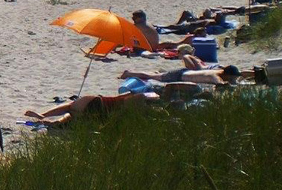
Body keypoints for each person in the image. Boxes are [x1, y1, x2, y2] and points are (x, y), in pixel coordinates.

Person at [25, 92, 154, 127]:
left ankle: (44, 115)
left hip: (98, 103)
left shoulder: (137, 97)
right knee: (72, 115)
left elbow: (121, 98)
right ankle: (55, 122)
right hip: (99, 116)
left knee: (71, 107)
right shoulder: (135, 113)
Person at [119, 65, 241, 86]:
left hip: (184, 73)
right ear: (227, 75)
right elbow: (221, 84)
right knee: (152, 77)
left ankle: (157, 72)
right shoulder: (214, 76)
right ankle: (128, 73)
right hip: (178, 75)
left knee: (158, 75)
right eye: (232, 77)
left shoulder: (218, 72)